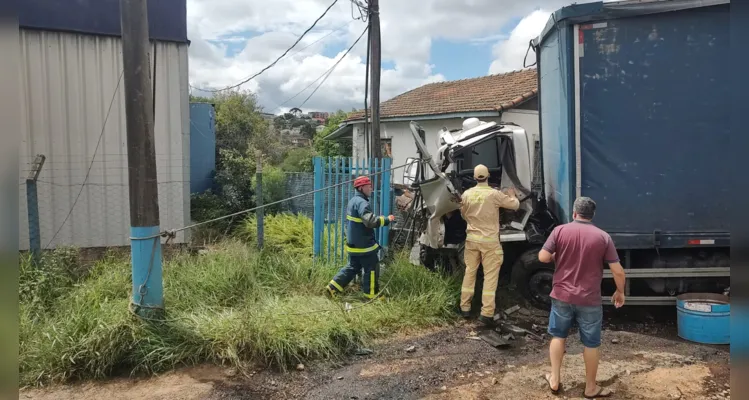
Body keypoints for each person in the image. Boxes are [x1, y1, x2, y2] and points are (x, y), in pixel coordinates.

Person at [538, 197, 627, 399]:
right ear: (592, 215)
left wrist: (556, 256)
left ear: (574, 213)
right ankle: (590, 388)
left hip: (561, 295)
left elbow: (543, 257)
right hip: (589, 299)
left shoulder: (559, 231)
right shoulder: (603, 237)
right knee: (591, 343)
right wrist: (620, 291)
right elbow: (618, 271)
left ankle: (554, 379)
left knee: (558, 336)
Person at [458, 164, 520, 326]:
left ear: (474, 177)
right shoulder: (494, 194)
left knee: (469, 273)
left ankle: (465, 308)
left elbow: (463, 215)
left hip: (472, 240)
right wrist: (512, 194)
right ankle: (486, 314)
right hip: (490, 243)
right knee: (490, 277)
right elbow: (514, 205)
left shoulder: (466, 194)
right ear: (488, 177)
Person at [326, 176, 395, 300]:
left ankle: (332, 287)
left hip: (354, 245)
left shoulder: (354, 200)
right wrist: (386, 220)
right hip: (364, 246)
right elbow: (370, 221)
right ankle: (372, 296)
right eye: (369, 186)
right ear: (361, 187)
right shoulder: (362, 202)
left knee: (352, 267)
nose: (371, 188)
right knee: (372, 268)